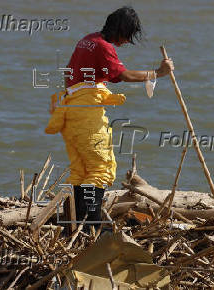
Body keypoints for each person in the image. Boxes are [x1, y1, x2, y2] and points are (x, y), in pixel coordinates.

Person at [45, 6, 174, 232]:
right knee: (101, 167)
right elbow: (122, 75)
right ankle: (94, 225)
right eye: (128, 35)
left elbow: (68, 73)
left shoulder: (87, 40)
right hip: (86, 116)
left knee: (82, 168)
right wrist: (158, 73)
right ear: (121, 30)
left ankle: (74, 224)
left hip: (71, 110)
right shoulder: (104, 47)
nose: (128, 41)